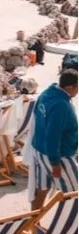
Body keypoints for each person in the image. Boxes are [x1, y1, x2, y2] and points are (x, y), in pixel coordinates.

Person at [29, 70, 78, 210]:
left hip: (39, 151)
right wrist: (55, 163)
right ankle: (68, 227)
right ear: (70, 88)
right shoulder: (61, 105)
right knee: (74, 193)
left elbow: (36, 119)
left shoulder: (46, 94)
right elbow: (53, 135)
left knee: (42, 189)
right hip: (58, 156)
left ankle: (33, 223)